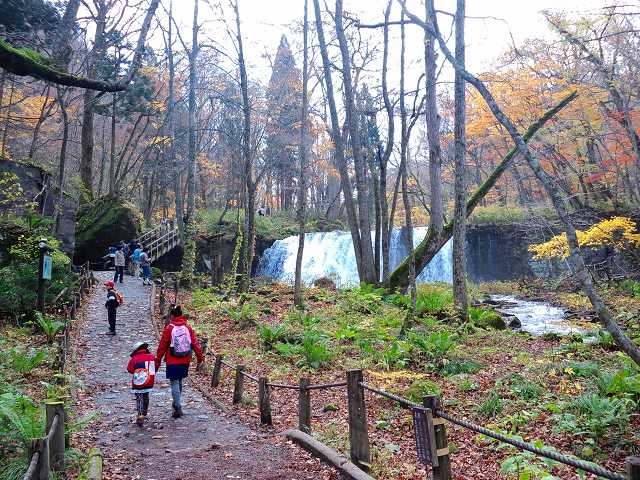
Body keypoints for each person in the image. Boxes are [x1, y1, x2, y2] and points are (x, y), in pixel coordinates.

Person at [155, 305, 204, 418]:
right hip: (185, 359)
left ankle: (177, 406)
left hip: (172, 360)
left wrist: (157, 362)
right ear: (181, 315)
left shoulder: (169, 328)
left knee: (175, 382)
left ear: (172, 315)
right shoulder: (188, 327)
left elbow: (162, 346)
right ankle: (176, 404)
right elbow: (195, 344)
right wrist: (200, 358)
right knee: (179, 380)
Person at [127, 341, 156, 427]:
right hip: (149, 381)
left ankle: (140, 415)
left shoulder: (134, 358)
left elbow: (130, 369)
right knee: (146, 396)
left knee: (139, 397)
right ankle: (144, 412)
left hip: (138, 382)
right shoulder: (151, 357)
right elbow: (155, 367)